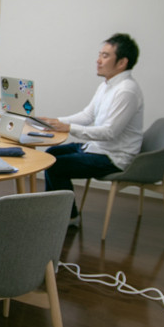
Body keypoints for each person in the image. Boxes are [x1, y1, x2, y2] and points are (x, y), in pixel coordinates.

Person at [37, 33, 144, 224]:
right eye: (100, 54)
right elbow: (87, 115)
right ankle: (53, 210)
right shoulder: (107, 85)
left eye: (105, 56)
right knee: (52, 154)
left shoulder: (126, 91)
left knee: (57, 165)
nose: (98, 60)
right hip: (97, 148)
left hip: (113, 157)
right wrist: (55, 122)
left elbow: (109, 132)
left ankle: (68, 217)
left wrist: (68, 128)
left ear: (122, 62)